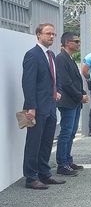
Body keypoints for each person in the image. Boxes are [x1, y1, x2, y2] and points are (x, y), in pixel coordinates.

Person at [21, 23, 65, 190]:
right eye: (48, 33)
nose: (52, 36)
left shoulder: (51, 55)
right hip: (37, 108)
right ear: (38, 35)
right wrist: (31, 106)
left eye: (53, 34)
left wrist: (58, 90)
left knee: (47, 142)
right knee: (34, 143)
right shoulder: (32, 55)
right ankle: (31, 178)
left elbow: (56, 77)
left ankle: (44, 174)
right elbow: (28, 83)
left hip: (51, 106)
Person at [55, 32, 88, 176]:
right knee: (66, 132)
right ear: (67, 43)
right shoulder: (61, 58)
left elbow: (75, 80)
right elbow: (66, 82)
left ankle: (67, 160)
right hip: (68, 102)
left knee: (72, 132)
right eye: (76, 41)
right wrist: (80, 95)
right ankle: (62, 164)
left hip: (74, 101)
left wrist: (82, 93)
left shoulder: (69, 58)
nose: (78, 43)